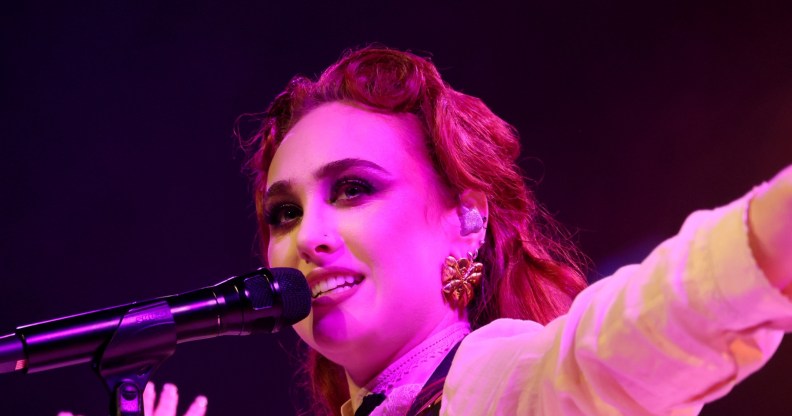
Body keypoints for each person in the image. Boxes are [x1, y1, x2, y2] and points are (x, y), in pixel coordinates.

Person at [65, 46, 792, 416]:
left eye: (354, 189)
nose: (307, 237)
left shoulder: (498, 388)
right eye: (281, 213)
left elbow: (655, 323)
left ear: (467, 220)